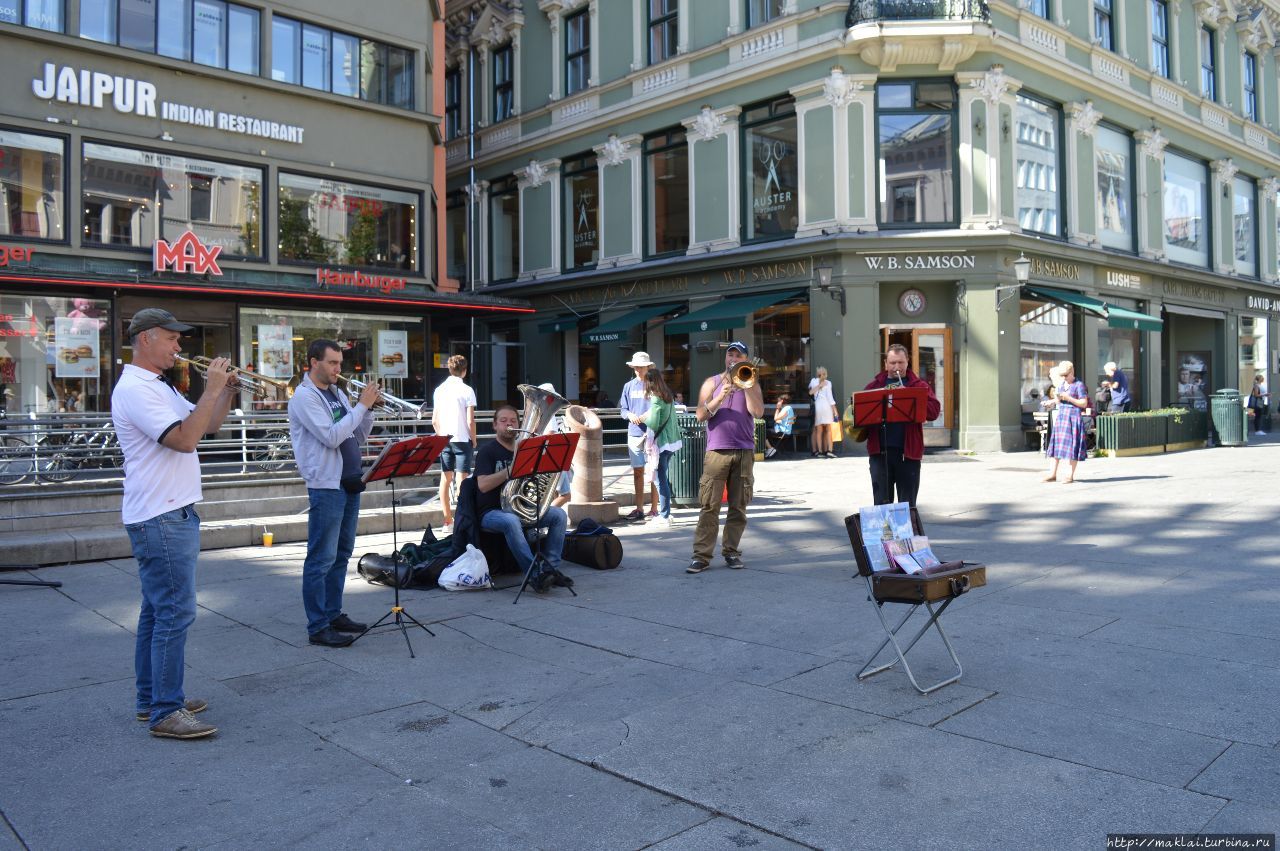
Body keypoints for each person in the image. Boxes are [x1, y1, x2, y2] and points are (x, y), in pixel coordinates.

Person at [112, 308, 238, 739]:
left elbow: (208, 426)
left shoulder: (159, 386)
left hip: (170, 511)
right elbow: (183, 441)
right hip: (160, 515)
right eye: (171, 338)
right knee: (174, 613)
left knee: (156, 612)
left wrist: (224, 394)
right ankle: (166, 710)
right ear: (145, 338)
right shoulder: (136, 389)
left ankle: (153, 699)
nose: (179, 346)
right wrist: (212, 388)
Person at [289, 339, 380, 648]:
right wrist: (361, 406)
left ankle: (333, 613)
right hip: (326, 485)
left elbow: (357, 436)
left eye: (340, 363)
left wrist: (368, 412)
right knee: (321, 558)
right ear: (314, 363)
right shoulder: (305, 397)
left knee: (341, 554)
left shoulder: (337, 393)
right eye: (332, 363)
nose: (338, 369)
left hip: (350, 481)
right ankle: (318, 626)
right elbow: (331, 437)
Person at [474, 403, 570, 592]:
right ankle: (535, 575)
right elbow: (482, 485)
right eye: (503, 421)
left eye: (513, 421)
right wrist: (510, 471)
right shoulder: (487, 451)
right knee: (510, 521)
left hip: (519, 508)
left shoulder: (526, 450)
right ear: (495, 425)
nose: (508, 424)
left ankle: (550, 569)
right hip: (491, 512)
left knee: (559, 515)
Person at [688, 341, 763, 574]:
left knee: (738, 506)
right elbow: (700, 415)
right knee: (709, 506)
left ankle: (731, 551)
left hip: (743, 450)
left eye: (738, 355)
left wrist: (746, 385)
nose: (732, 358)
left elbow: (758, 413)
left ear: (745, 360)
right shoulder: (712, 382)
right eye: (730, 355)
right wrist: (721, 396)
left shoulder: (751, 381)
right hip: (717, 451)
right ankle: (701, 556)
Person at [862, 343, 940, 507]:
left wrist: (912, 396)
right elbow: (860, 415)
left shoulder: (919, 386)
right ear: (885, 363)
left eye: (901, 362)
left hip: (908, 454)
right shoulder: (874, 386)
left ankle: (906, 534)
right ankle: (885, 534)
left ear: (907, 362)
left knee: (907, 505)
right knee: (881, 506)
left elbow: (933, 411)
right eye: (892, 363)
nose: (897, 367)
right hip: (880, 454)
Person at [628, 369, 682, 528]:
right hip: (672, 441)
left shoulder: (656, 398)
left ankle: (664, 515)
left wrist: (644, 419)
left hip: (661, 443)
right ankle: (667, 514)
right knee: (662, 477)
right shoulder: (668, 396)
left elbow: (654, 422)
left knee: (660, 480)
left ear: (650, 382)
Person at [431, 354, 477, 532]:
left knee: (445, 479)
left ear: (449, 369)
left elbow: (434, 420)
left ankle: (447, 521)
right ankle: (460, 520)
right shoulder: (467, 390)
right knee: (462, 481)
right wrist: (474, 439)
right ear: (464, 371)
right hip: (462, 439)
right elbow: (470, 421)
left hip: (444, 439)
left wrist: (441, 436)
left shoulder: (439, 390)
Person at [620, 351, 657, 520]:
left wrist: (647, 415)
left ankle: (655, 508)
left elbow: (660, 406)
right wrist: (630, 416)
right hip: (634, 432)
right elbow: (623, 409)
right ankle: (640, 508)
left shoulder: (654, 384)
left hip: (652, 431)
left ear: (648, 367)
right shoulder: (628, 386)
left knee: (653, 471)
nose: (638, 370)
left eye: (641, 367)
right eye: (636, 367)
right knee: (638, 471)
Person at [1043, 360, 1088, 483]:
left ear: (1072, 371)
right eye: (1062, 376)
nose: (1064, 378)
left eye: (1066, 375)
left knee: (1072, 447)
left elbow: (1084, 403)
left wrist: (1068, 398)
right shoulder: (1062, 384)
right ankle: (1052, 474)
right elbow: (1058, 400)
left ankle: (1069, 476)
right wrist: (1051, 402)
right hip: (1062, 416)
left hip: (1073, 417)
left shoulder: (1079, 385)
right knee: (1055, 446)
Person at [808, 367, 838, 458]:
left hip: (818, 407)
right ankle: (829, 450)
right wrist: (835, 411)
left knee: (819, 430)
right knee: (828, 430)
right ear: (825, 374)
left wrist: (818, 386)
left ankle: (820, 452)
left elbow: (810, 392)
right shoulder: (828, 383)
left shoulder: (813, 381)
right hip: (826, 407)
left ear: (817, 374)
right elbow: (830, 398)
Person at [765, 392, 795, 458]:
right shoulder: (787, 408)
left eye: (778, 401)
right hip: (783, 430)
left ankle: (770, 449)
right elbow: (779, 420)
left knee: (763, 432)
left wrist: (777, 408)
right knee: (767, 432)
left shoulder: (787, 408)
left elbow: (776, 418)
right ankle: (770, 449)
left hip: (783, 432)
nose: (777, 402)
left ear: (781, 401)